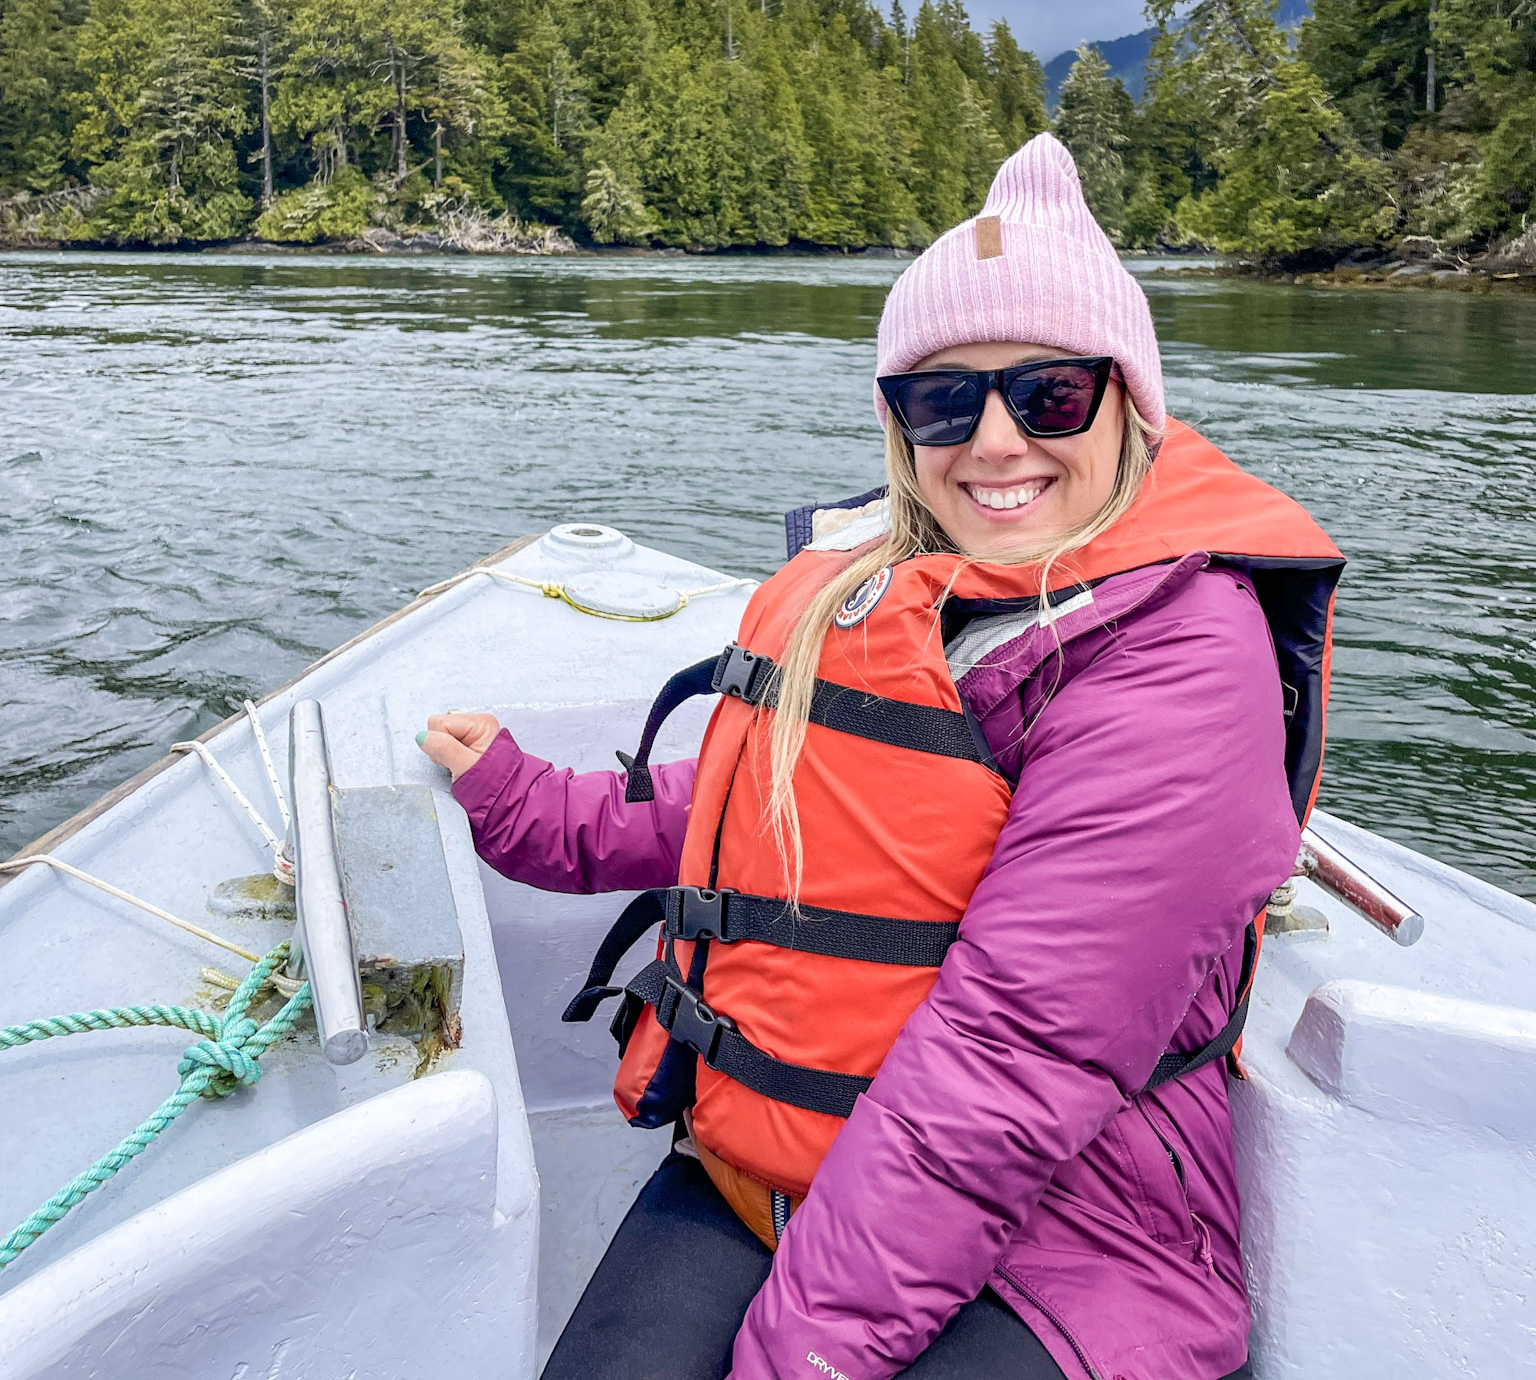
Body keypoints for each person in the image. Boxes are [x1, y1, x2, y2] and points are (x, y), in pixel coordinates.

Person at [422, 134, 1342, 1380]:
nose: (998, 441)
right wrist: (539, 811)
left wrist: (798, 1356)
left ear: (1130, 400)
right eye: (944, 399)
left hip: (1064, 1236)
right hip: (779, 1167)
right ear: (898, 424)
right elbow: (802, 808)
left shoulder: (1180, 653)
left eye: (1052, 392)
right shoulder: (907, 587)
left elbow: (1015, 1057)